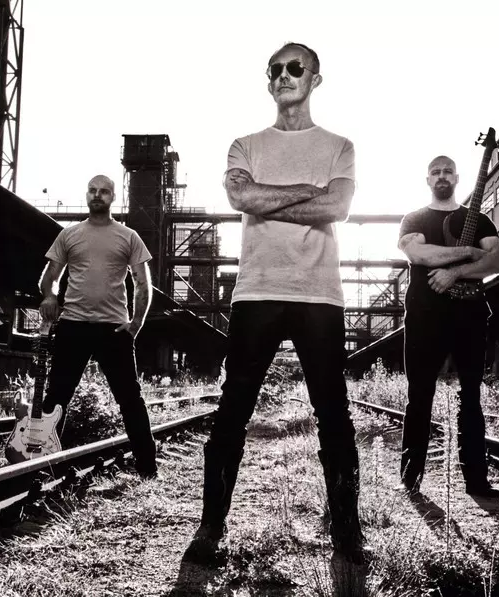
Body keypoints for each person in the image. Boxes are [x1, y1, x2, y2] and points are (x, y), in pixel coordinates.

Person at [184, 42, 367, 566]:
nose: (285, 75)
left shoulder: (340, 146)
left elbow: (338, 206)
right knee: (232, 411)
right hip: (257, 291)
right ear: (269, 82)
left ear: (315, 79)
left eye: (295, 68)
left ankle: (347, 531)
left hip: (318, 295)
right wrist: (306, 191)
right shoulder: (245, 145)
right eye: (276, 70)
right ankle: (210, 528)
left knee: (333, 413)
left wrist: (271, 196)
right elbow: (241, 199)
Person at [397, 155, 499, 497]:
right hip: (424, 315)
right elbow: (420, 255)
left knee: (471, 396)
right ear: (427, 180)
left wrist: (455, 272)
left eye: (447, 171)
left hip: (470, 316)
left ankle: (477, 482)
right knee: (419, 396)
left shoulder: (481, 220)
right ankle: (411, 480)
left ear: (457, 178)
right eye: (436, 172)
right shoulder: (414, 218)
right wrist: (471, 254)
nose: (442, 176)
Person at [39, 174, 157, 478]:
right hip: (72, 326)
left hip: (113, 330)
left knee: (130, 399)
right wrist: (50, 296)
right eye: (92, 190)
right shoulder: (69, 235)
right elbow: (49, 278)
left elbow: (143, 284)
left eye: (104, 191)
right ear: (87, 194)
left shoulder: (128, 236)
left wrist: (136, 324)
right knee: (57, 397)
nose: (97, 195)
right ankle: (42, 466)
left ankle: (148, 469)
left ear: (113, 197)